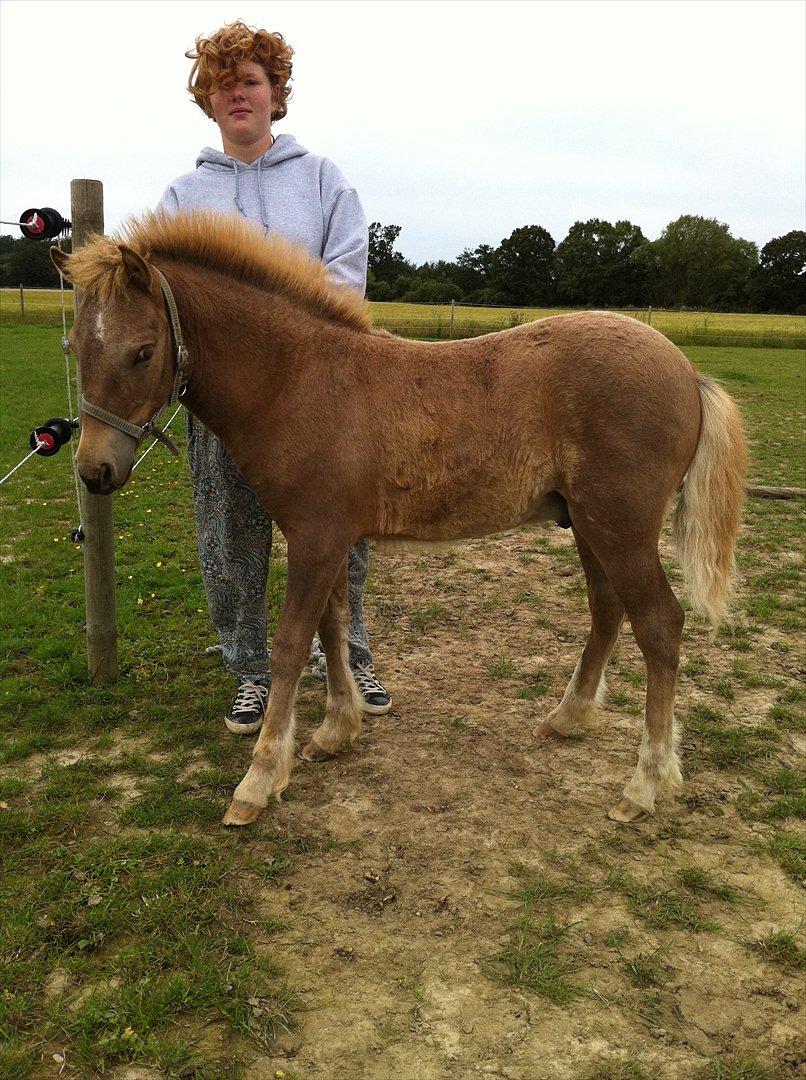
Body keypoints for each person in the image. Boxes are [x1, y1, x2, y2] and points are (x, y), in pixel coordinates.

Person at [157, 20, 391, 734]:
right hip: (222, 407)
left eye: (251, 81)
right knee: (230, 537)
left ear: (275, 93)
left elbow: (345, 278)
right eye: (222, 83)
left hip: (321, 405)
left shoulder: (322, 180)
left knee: (339, 533)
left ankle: (345, 656)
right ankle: (250, 670)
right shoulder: (182, 196)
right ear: (207, 98)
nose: (237, 94)